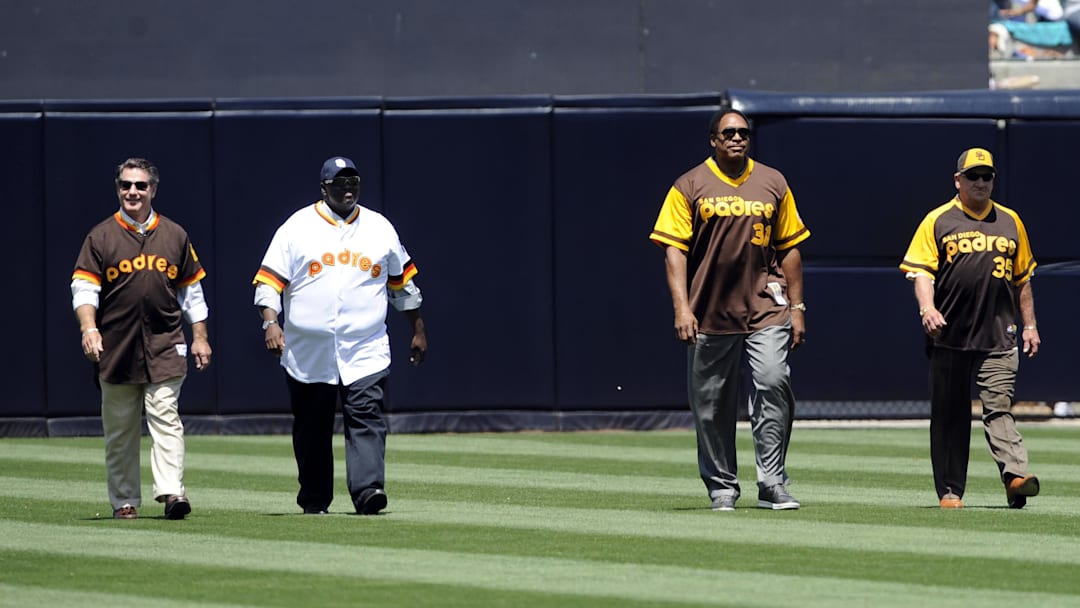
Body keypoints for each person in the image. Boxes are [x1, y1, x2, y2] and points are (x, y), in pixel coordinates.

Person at [649, 108, 810, 511]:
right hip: (710, 312)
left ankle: (773, 482)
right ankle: (722, 485)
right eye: (729, 133)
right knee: (711, 405)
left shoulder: (773, 181)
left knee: (774, 381)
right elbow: (674, 252)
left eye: (744, 132)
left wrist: (797, 307)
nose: (738, 138)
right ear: (714, 140)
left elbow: (790, 247)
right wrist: (682, 308)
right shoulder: (689, 184)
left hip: (765, 307)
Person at [252, 156, 426, 516]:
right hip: (307, 350)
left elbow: (403, 286)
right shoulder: (296, 227)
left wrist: (418, 330)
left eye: (353, 182)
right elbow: (268, 283)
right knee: (312, 425)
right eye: (339, 183)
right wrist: (271, 322)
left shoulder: (380, 228)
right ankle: (314, 499)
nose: (347, 189)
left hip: (365, 346)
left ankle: (368, 490)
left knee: (366, 415)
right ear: (323, 188)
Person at [899, 147, 1041, 510]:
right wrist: (927, 309)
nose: (981, 182)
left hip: (999, 333)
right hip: (950, 334)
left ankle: (1015, 478)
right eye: (973, 176)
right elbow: (921, 273)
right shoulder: (938, 220)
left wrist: (1030, 326)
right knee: (949, 414)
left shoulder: (1011, 221)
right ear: (957, 180)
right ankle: (950, 491)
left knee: (999, 407)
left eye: (987, 176)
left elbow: (1023, 279)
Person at [71, 157, 211, 520]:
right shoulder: (100, 236)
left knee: (166, 416)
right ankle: (124, 502)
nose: (132, 192)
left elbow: (192, 293)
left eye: (140, 185)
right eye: (126, 185)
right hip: (116, 347)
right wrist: (89, 329)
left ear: (153, 189)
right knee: (120, 430)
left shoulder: (175, 234)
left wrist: (200, 337)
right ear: (118, 188)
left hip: (165, 342)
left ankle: (172, 494)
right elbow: (84, 289)